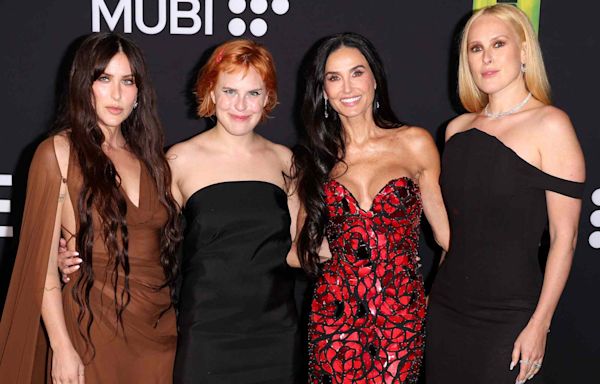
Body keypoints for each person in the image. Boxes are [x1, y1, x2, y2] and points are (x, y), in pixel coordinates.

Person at [0, 32, 180, 383]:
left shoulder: (152, 159)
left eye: (127, 81)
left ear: (139, 91)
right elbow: (42, 269)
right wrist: (62, 347)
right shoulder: (57, 153)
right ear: (85, 85)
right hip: (91, 332)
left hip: (160, 334)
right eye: (104, 79)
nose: (116, 94)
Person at [424, 4, 585, 384]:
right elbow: (458, 231)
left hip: (511, 317)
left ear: (525, 51)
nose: (487, 58)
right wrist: (433, 296)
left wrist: (540, 324)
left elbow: (566, 238)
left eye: (498, 43)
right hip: (447, 310)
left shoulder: (551, 124)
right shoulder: (456, 130)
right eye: (476, 48)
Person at [288, 32, 450, 383]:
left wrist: (428, 300)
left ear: (375, 78)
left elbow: (447, 238)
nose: (347, 87)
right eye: (334, 78)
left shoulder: (414, 143)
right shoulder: (314, 160)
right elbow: (298, 254)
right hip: (335, 311)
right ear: (324, 91)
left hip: (401, 311)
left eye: (356, 72)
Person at [166, 39, 299, 383]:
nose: (241, 104)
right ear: (210, 91)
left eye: (253, 93)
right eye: (229, 91)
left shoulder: (285, 160)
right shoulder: (179, 160)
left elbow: (303, 252)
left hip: (276, 335)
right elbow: (148, 242)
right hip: (206, 335)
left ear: (268, 97)